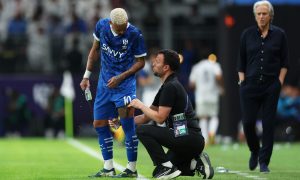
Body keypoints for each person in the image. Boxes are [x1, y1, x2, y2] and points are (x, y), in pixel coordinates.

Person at [80, 8, 146, 178]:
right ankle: (108, 167)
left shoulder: (134, 34)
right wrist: (86, 76)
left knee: (127, 125)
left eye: (125, 26)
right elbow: (94, 50)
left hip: (124, 86)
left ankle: (132, 169)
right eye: (119, 28)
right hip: (104, 85)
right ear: (111, 23)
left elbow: (141, 62)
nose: (123, 30)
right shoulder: (101, 26)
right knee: (99, 124)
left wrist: (121, 77)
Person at [128, 49, 214, 179]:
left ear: (166, 67)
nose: (153, 63)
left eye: (157, 62)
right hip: (184, 137)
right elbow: (146, 117)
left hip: (188, 137)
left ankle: (166, 167)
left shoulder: (170, 87)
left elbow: (160, 118)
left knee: (142, 131)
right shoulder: (167, 86)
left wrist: (140, 105)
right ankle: (196, 163)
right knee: (158, 172)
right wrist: (122, 121)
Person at [237, 0, 289, 173]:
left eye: (264, 13)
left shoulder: (280, 35)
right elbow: (241, 62)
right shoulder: (247, 34)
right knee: (248, 122)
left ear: (270, 15)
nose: (261, 16)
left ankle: (264, 162)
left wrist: (279, 82)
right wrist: (242, 82)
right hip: (249, 85)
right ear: (255, 15)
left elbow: (284, 62)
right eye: (258, 13)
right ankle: (254, 150)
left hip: (271, 86)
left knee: (268, 124)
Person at [189, 53, 223, 145]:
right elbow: (219, 76)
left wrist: (198, 87)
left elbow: (191, 83)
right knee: (214, 115)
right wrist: (220, 87)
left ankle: (205, 138)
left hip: (201, 96)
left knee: (203, 117)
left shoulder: (196, 67)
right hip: (213, 94)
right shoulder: (214, 65)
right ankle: (212, 133)